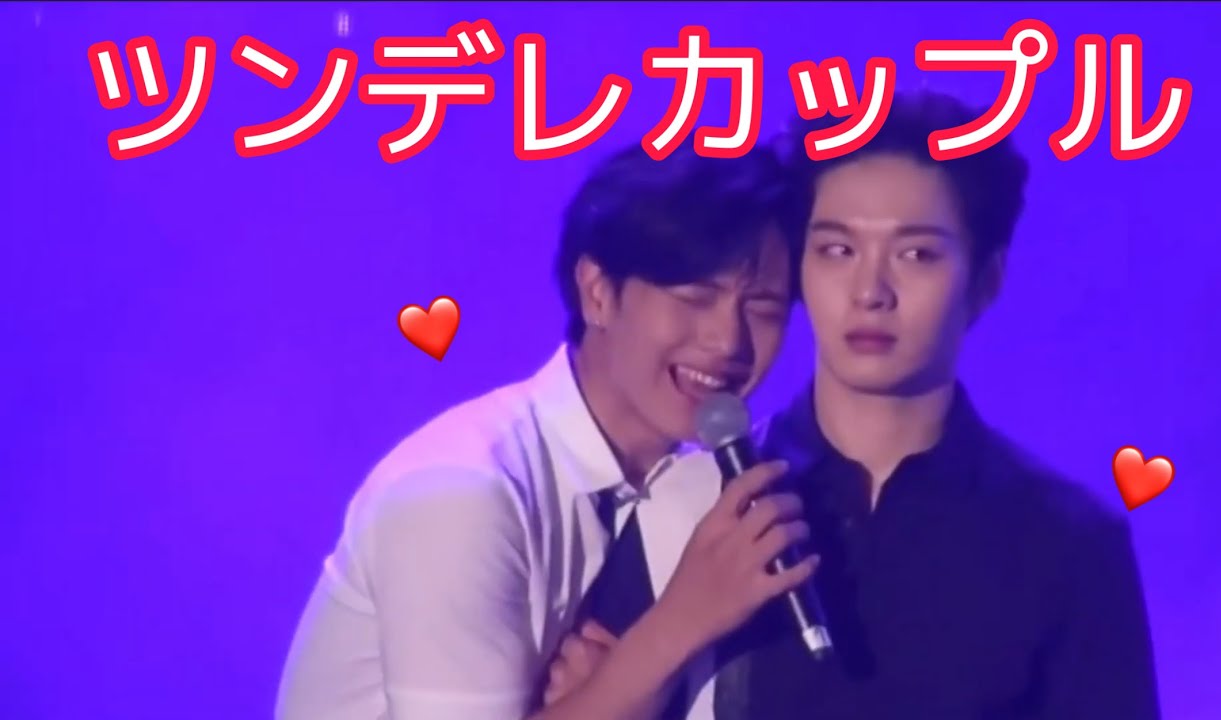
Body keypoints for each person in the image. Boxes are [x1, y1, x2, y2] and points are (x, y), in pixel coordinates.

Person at [544, 91, 1162, 720]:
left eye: (916, 255)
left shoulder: (1066, 543)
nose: (870, 292)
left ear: (985, 282)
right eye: (837, 250)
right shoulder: (688, 507)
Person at [274, 140, 817, 720]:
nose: (728, 341)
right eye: (695, 297)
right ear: (598, 292)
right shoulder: (460, 490)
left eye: (762, 308)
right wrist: (676, 627)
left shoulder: (688, 487)